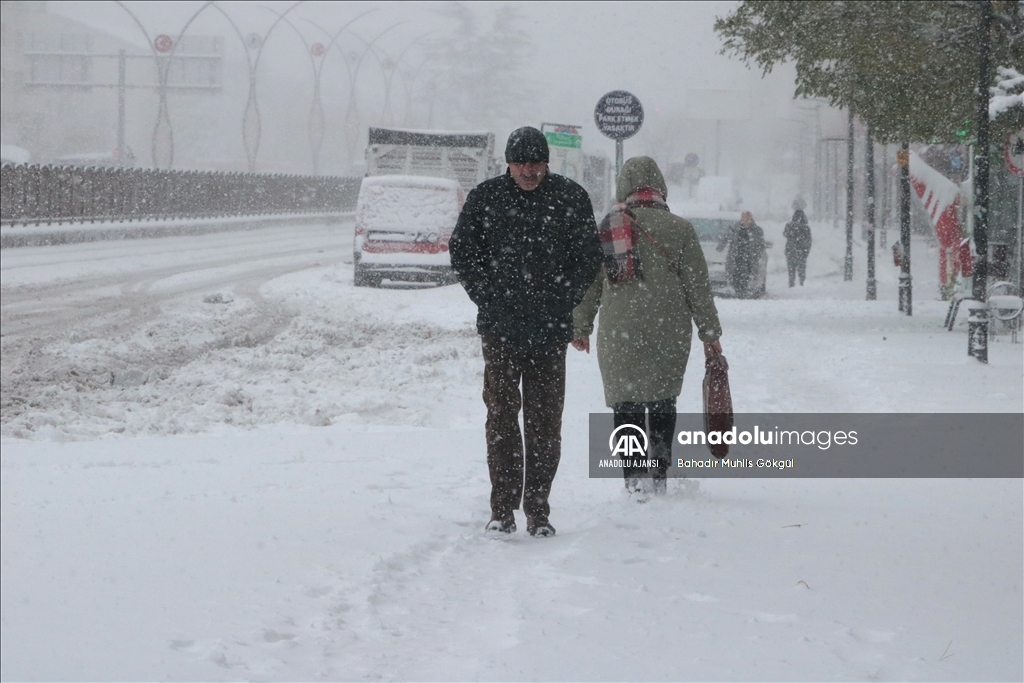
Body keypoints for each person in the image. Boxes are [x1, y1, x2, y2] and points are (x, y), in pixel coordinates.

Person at [449, 126, 602, 537]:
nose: (530, 171)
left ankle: (538, 510)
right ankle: (502, 510)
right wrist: (487, 295)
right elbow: (462, 251)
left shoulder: (569, 198)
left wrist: (561, 298)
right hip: (500, 329)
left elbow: (588, 258)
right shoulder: (486, 198)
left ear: (547, 163)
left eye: (536, 163)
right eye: (521, 164)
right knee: (501, 417)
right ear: (509, 164)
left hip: (550, 332)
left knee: (545, 422)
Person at [572, 156, 723, 497]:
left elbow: (591, 284)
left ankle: (632, 478)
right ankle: (659, 471)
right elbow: (697, 287)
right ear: (660, 187)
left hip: (618, 331)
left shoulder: (609, 225)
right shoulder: (681, 229)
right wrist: (709, 334)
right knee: (662, 402)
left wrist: (580, 325)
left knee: (626, 406)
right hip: (667, 329)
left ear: (623, 186)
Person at [717, 210, 766, 298]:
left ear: (751, 219)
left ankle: (743, 293)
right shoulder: (734, 228)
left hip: (750, 259)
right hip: (735, 257)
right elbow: (726, 237)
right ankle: (738, 292)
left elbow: (760, 244)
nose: (745, 220)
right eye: (743, 218)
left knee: (746, 277)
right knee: (735, 276)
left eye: (747, 218)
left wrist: (757, 253)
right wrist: (721, 246)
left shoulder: (757, 230)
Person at [783, 199, 812, 287]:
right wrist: (806, 251)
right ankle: (801, 283)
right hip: (801, 251)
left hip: (791, 251)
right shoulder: (805, 228)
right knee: (801, 268)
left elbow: (785, 234)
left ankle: (791, 283)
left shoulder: (790, 226)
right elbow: (808, 241)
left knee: (791, 269)